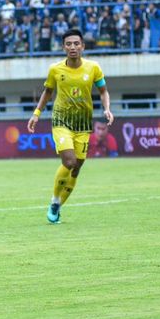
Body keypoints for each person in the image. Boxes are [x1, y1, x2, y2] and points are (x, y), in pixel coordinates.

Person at [27, 28, 114, 224]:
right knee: (69, 161)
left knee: (76, 168)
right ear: (63, 47)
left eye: (76, 44)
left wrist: (107, 109)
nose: (73, 47)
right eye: (69, 44)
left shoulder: (94, 68)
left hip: (83, 123)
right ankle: (55, 199)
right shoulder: (55, 69)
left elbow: (103, 92)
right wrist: (36, 114)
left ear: (83, 46)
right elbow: (47, 93)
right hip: (61, 120)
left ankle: (57, 205)